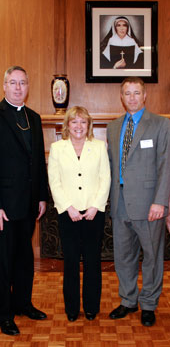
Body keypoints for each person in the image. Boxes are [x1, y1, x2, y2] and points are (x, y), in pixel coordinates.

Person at [0, 66, 48, 336]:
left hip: (28, 206)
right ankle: (4, 314)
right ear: (4, 86)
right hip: (2, 208)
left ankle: (23, 303)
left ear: (28, 86)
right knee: (3, 263)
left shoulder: (34, 118)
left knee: (25, 259)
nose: (18, 88)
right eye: (13, 83)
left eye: (22, 83)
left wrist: (42, 197)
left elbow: (38, 161)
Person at [107, 77, 170, 327]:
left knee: (152, 256)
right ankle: (128, 301)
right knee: (124, 256)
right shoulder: (113, 128)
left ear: (145, 96)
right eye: (127, 93)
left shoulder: (161, 124)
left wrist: (161, 202)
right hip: (120, 201)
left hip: (149, 204)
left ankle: (150, 303)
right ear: (121, 97)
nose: (132, 97)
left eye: (136, 93)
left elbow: (166, 165)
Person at [48, 106, 111, 322]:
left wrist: (95, 206)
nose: (78, 126)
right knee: (71, 262)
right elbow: (54, 181)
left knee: (93, 261)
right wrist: (68, 207)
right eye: (74, 121)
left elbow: (106, 178)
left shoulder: (100, 147)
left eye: (83, 122)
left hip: (94, 212)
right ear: (67, 125)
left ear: (89, 125)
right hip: (68, 213)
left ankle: (92, 307)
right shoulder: (57, 148)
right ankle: (72, 308)